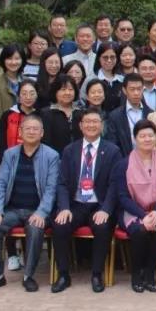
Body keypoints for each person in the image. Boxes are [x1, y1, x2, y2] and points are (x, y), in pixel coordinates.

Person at [0, 114, 59, 293]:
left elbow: (51, 189)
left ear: (42, 133)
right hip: (13, 210)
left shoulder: (51, 156)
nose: (31, 132)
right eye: (27, 128)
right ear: (20, 132)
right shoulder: (10, 155)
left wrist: (41, 212)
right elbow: (0, 184)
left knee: (35, 228)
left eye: (35, 129)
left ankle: (28, 276)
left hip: (37, 210)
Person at [50, 110, 119, 293]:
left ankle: (97, 274)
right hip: (76, 204)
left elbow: (115, 184)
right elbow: (62, 183)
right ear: (80, 126)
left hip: (99, 204)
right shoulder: (70, 150)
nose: (91, 125)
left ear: (102, 126)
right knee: (60, 225)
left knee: (103, 227)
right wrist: (64, 207)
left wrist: (106, 209)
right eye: (87, 122)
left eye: (95, 121)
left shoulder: (112, 151)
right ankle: (63, 275)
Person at [114, 119, 156, 293]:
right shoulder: (124, 164)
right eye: (142, 136)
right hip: (132, 211)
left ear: (155, 138)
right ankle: (136, 273)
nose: (147, 139)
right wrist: (143, 215)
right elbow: (123, 197)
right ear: (135, 139)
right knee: (140, 230)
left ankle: (149, 272)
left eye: (150, 135)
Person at [0, 44, 24, 192]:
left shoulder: (26, 82)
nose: (13, 62)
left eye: (17, 58)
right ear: (3, 60)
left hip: (24, 133)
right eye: (9, 58)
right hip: (3, 134)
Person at [0, 80, 41, 182]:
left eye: (32, 93)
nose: (28, 97)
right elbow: (0, 143)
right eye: (24, 93)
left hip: (35, 165)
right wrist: (0, 165)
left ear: (37, 95)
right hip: (11, 163)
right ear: (19, 96)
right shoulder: (8, 115)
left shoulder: (42, 115)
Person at [104, 73, 152, 156]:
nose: (136, 93)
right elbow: (113, 144)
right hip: (124, 160)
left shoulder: (151, 114)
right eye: (132, 89)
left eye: (139, 89)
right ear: (124, 90)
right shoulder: (115, 116)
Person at [40, 74, 82, 153]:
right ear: (55, 91)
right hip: (54, 157)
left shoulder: (81, 113)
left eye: (70, 89)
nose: (67, 93)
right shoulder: (46, 114)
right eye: (63, 89)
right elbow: (45, 141)